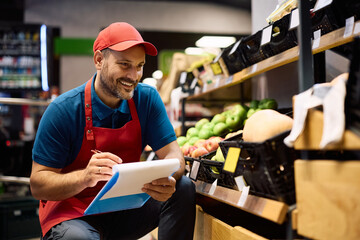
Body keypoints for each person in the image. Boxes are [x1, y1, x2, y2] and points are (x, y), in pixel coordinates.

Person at [30, 22, 196, 240]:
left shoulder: (146, 99)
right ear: (99, 60)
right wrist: (84, 177)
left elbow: (175, 156)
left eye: (139, 65)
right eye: (124, 64)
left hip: (125, 207)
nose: (133, 75)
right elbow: (38, 184)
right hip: (73, 215)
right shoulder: (63, 110)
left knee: (182, 188)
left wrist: (168, 179)